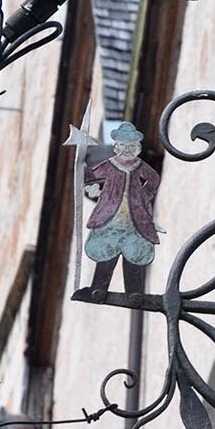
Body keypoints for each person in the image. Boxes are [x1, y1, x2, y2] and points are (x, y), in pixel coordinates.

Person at [73, 121, 162, 301]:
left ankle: (134, 292)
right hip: (111, 218)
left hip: (134, 219)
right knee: (107, 252)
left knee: (134, 254)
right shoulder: (109, 164)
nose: (126, 149)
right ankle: (99, 288)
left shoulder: (139, 166)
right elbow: (92, 176)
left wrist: (142, 198)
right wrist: (84, 175)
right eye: (123, 145)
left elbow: (152, 180)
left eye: (130, 145)